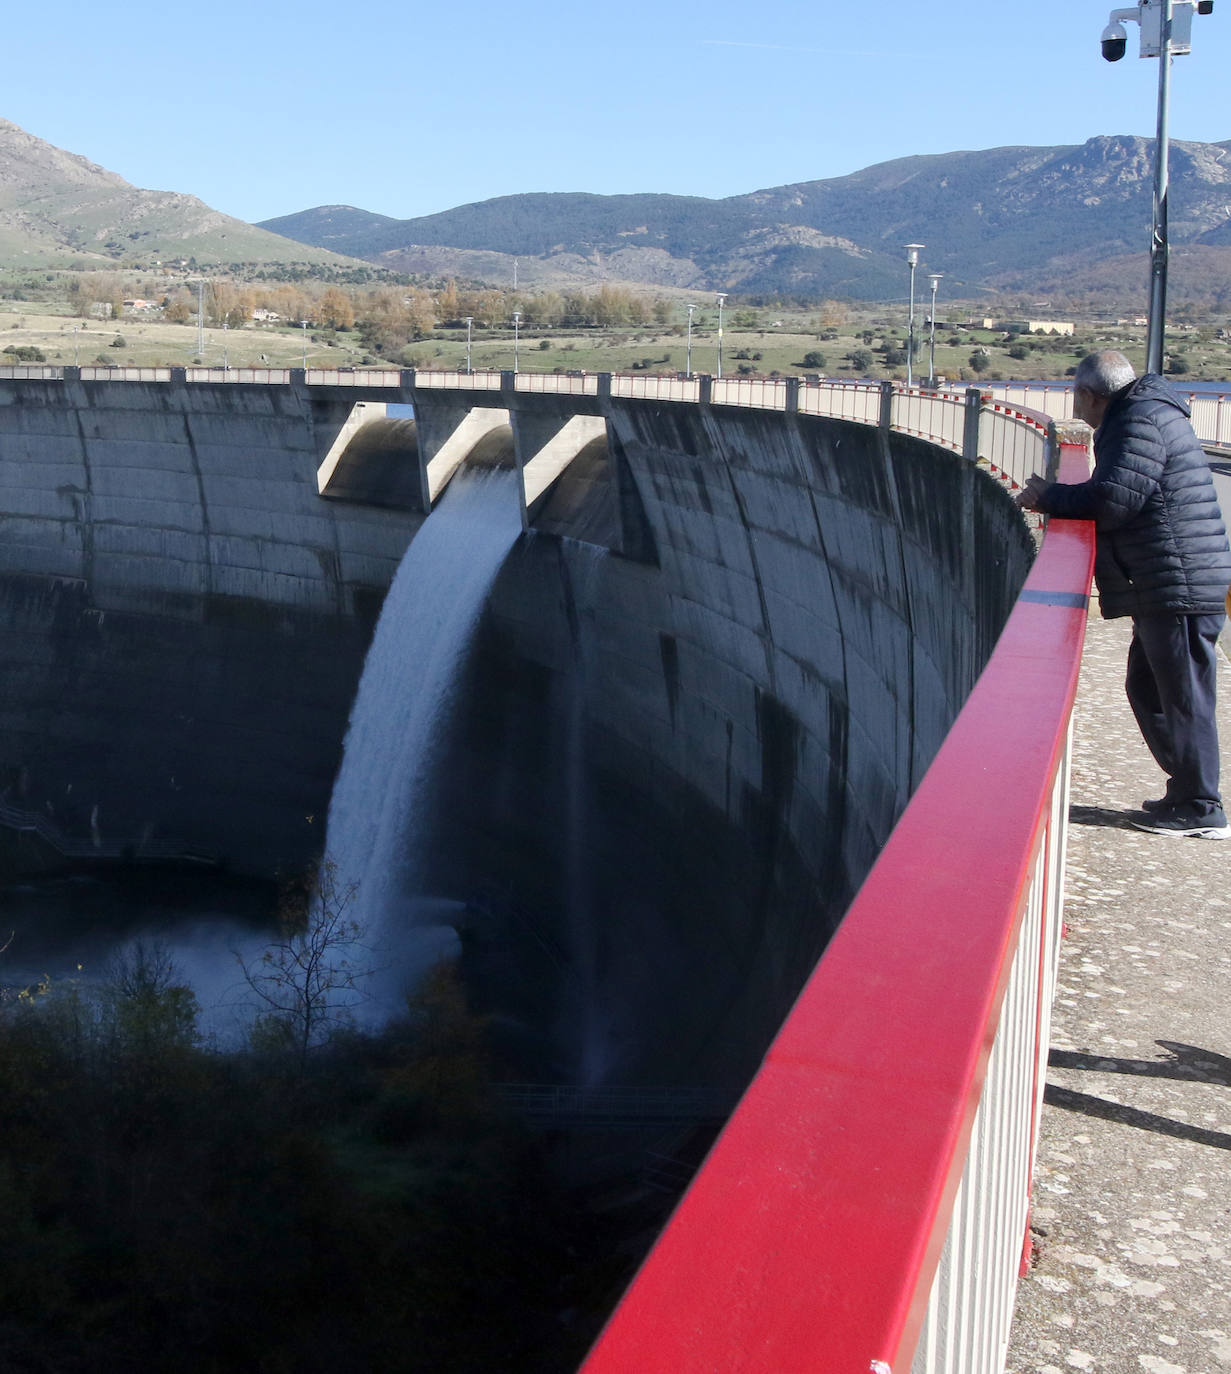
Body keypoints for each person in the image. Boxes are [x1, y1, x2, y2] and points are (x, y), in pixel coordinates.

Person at [1017, 349, 1231, 839]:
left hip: (1178, 579)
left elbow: (1114, 499)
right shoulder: (1144, 412)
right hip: (1169, 578)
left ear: (1091, 396)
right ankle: (1186, 790)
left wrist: (1048, 496)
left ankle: (1201, 806)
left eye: (1078, 398)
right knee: (1148, 687)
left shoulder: (1139, 420)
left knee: (1184, 696)